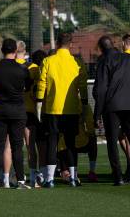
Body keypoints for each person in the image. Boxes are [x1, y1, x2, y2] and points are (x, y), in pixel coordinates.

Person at [36, 32, 88, 188]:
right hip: (71, 109)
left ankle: (50, 179)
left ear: (57, 43)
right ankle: (73, 178)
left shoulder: (48, 61)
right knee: (71, 144)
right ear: (70, 44)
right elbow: (83, 86)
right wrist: (84, 104)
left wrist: (39, 103)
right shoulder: (77, 62)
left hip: (52, 110)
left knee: (52, 142)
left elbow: (41, 84)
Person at [94, 34, 130, 186]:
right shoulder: (129, 59)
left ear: (102, 48)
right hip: (129, 106)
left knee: (112, 142)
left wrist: (97, 113)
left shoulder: (104, 61)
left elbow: (101, 89)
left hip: (111, 107)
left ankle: (118, 177)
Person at [0, 39, 31, 190]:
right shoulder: (22, 69)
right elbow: (29, 86)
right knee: (17, 147)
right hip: (17, 111)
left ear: (2, 50)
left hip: (0, 110)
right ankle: (20, 181)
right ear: (16, 51)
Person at [24, 48, 48, 187]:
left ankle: (33, 177)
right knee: (43, 146)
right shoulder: (42, 71)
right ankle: (44, 176)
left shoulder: (27, 69)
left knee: (30, 146)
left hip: (28, 112)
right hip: (41, 113)